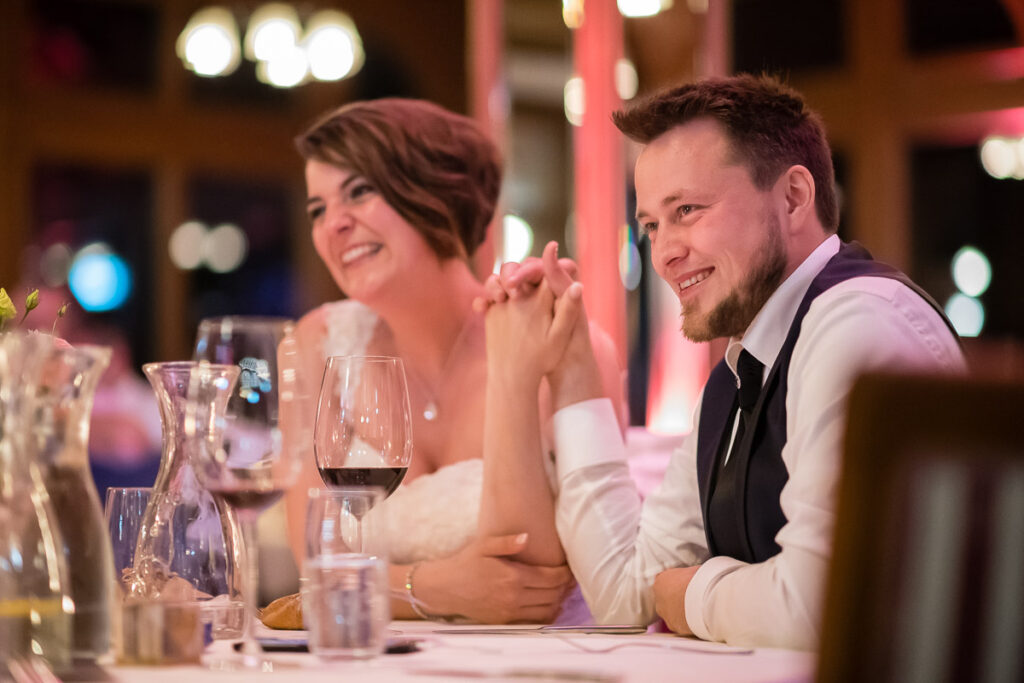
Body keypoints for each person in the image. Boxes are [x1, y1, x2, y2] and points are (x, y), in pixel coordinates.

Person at [480, 74, 966, 648]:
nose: (664, 253)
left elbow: (821, 606)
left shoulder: (857, 326)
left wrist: (688, 595)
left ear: (793, 197)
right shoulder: (738, 375)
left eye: (687, 210)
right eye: (652, 226)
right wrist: (570, 363)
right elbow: (623, 595)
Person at [278, 98, 625, 623]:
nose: (335, 225)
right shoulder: (319, 345)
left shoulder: (562, 342)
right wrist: (435, 589)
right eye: (318, 209)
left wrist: (514, 370)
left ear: (434, 193)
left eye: (360, 192)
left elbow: (530, 588)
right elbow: (318, 569)